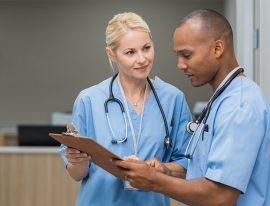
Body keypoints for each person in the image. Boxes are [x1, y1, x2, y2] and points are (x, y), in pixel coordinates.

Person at [115, 9, 270, 206]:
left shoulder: (240, 106)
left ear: (217, 49)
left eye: (186, 55)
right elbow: (204, 170)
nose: (180, 64)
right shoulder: (222, 100)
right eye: (178, 55)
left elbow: (219, 196)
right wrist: (166, 171)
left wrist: (154, 181)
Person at [59, 12, 191, 206]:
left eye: (146, 48)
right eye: (130, 52)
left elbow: (186, 165)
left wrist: (163, 169)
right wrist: (77, 162)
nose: (142, 59)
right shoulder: (89, 99)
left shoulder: (173, 98)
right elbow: (77, 175)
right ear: (111, 54)